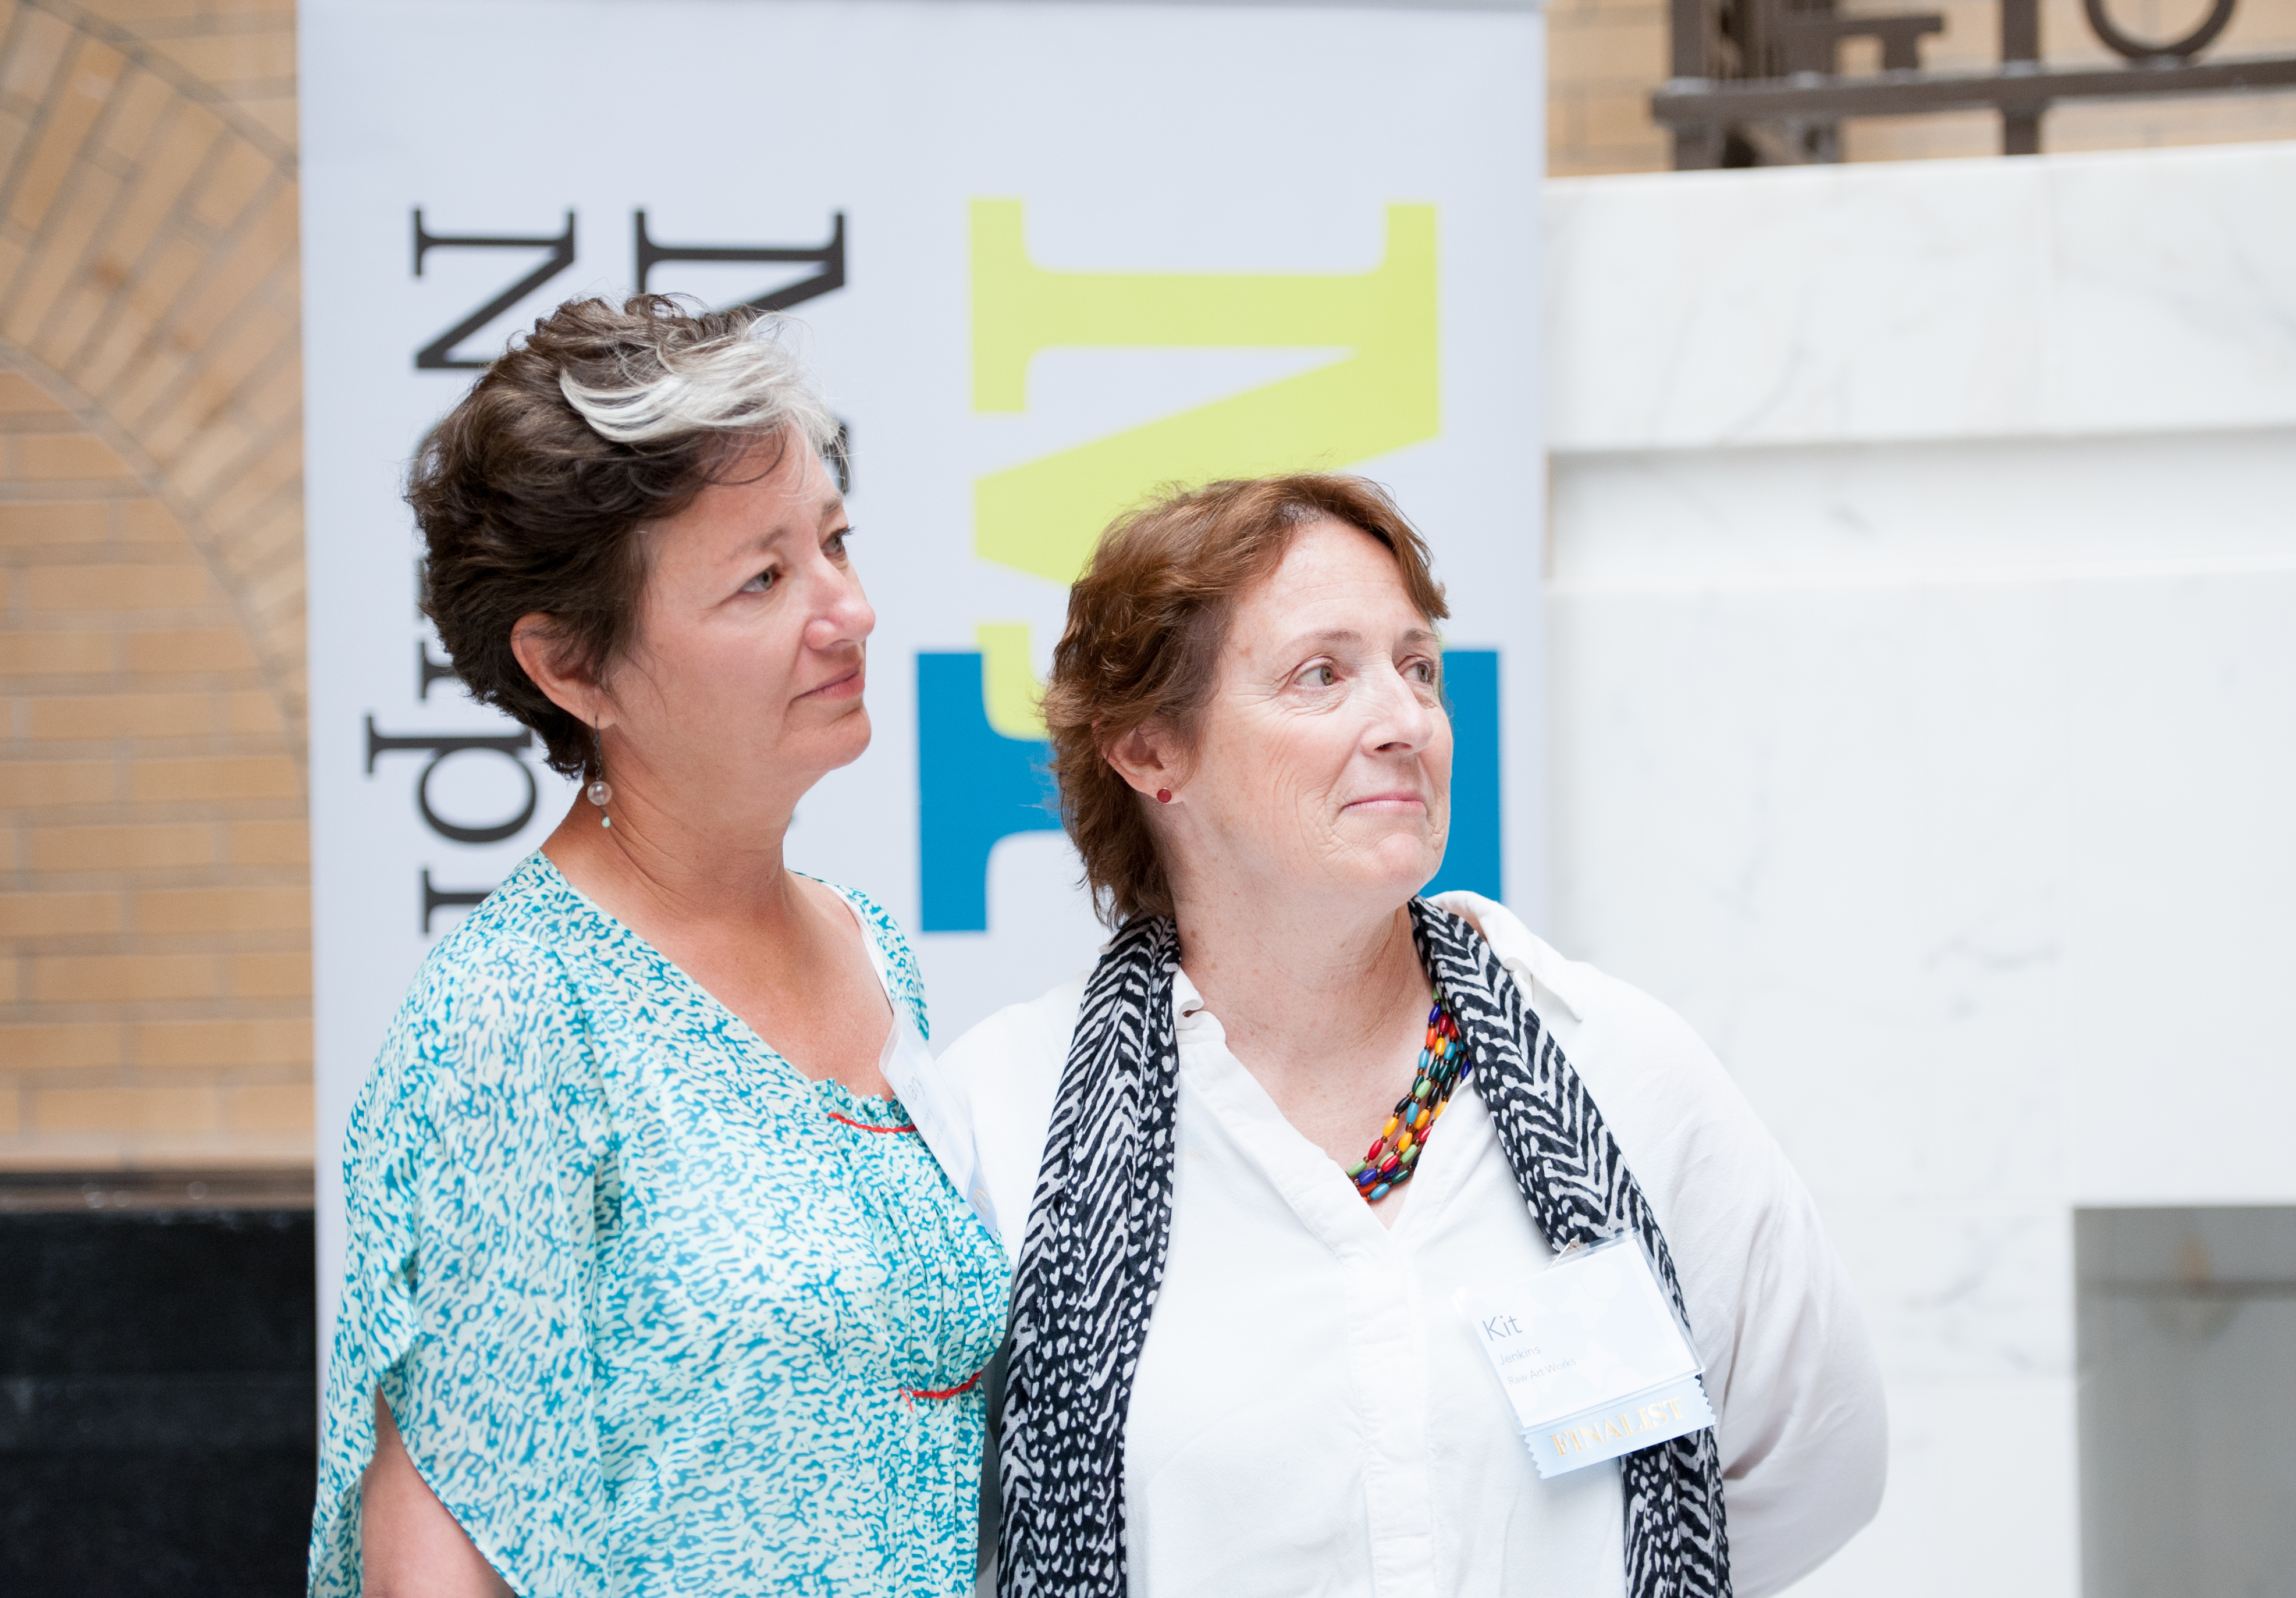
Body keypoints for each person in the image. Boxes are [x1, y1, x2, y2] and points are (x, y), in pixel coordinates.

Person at [940, 474, 1886, 1598]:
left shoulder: (1624, 1068)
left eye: (1419, 668)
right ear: (1151, 753)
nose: (1404, 722)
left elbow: (1815, 1462)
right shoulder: (1004, 1115)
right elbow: (933, 1539)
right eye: (1323, 675)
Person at [308, 297, 1007, 1598]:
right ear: (573, 668)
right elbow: (440, 1561)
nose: (848, 611)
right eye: (763, 579)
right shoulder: (512, 1018)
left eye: (834, 543)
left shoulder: (868, 945)